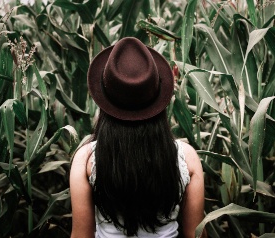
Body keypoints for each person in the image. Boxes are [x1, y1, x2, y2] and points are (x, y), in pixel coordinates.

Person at [70, 37, 206, 238]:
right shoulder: (187, 158)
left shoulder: (86, 160)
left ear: (105, 103)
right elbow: (195, 235)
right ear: (159, 101)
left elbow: (81, 236)